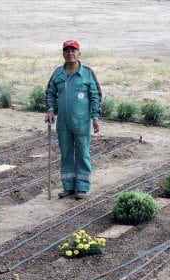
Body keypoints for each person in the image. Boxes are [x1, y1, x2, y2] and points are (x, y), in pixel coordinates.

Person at [45, 39, 102, 200]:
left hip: (82, 122)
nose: (70, 53)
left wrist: (95, 117)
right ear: (63, 54)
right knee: (66, 154)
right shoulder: (58, 73)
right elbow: (50, 92)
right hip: (63, 122)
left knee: (82, 154)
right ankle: (68, 187)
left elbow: (96, 95)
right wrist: (50, 109)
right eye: (67, 50)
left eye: (73, 50)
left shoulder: (87, 73)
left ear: (79, 53)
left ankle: (82, 188)